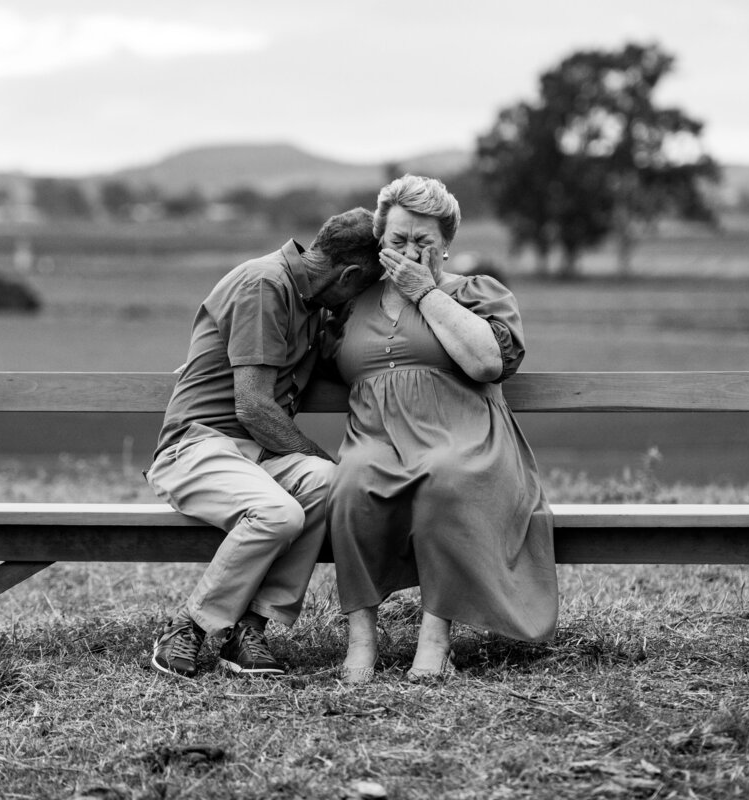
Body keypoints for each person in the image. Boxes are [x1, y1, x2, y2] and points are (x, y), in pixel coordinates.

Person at [327, 175, 558, 683]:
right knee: (347, 483)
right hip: (376, 439)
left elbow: (485, 363)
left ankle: (435, 640)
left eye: (423, 242)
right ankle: (360, 639)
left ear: (446, 247)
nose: (409, 251)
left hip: (464, 439)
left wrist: (424, 293)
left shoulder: (475, 293)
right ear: (379, 243)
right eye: (397, 241)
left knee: (445, 476)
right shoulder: (350, 304)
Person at [146, 207, 382, 679]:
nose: (360, 302)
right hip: (196, 449)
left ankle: (248, 632)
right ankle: (187, 628)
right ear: (351, 273)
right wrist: (313, 450)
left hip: (250, 459)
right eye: (364, 290)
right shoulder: (265, 284)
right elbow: (252, 407)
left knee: (326, 481)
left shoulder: (310, 303)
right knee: (280, 512)